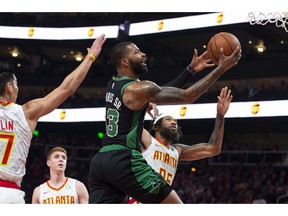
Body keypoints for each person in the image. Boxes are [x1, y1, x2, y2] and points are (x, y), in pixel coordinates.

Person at [88, 41, 241, 204]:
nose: (143, 54)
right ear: (124, 61)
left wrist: (191, 70)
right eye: (137, 52)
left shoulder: (113, 83)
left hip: (101, 161)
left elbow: (160, 92)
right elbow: (187, 95)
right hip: (123, 159)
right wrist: (221, 68)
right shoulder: (137, 92)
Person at [0, 34, 106, 204]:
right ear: (9, 87)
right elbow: (66, 88)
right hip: (10, 195)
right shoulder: (27, 112)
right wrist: (90, 57)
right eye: (16, 84)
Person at [129, 86, 232, 203]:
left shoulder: (177, 150)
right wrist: (145, 104)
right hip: (140, 199)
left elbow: (213, 148)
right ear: (156, 126)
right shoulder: (148, 140)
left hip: (162, 200)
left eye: (175, 121)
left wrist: (220, 116)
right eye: (168, 119)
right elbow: (129, 117)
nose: (173, 122)